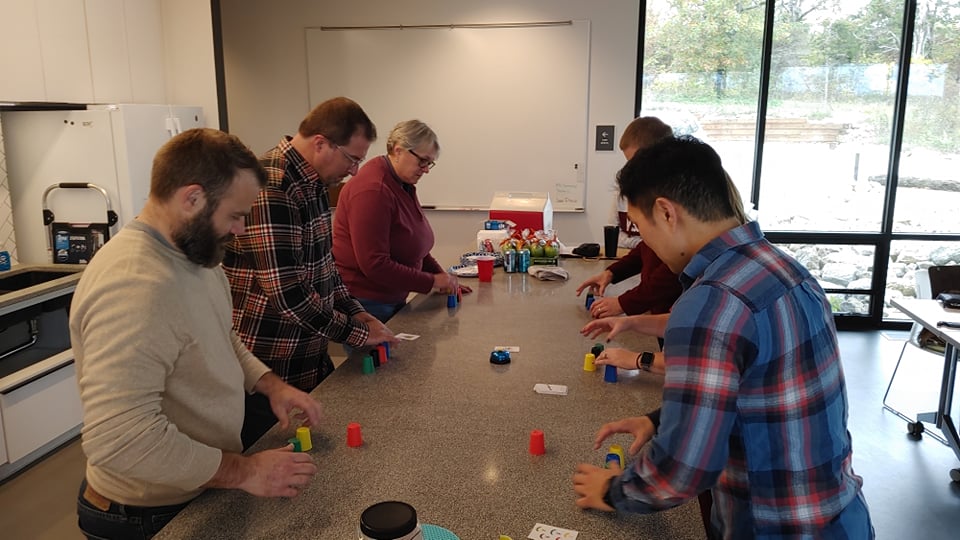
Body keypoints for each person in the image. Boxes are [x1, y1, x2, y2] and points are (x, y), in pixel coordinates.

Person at [572, 136, 874, 539]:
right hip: (842, 519)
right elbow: (757, 387)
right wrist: (660, 420)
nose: (649, 245)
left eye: (643, 229)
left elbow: (682, 472)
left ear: (666, 213)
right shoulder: (786, 268)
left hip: (774, 527)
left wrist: (610, 491)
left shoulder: (709, 303)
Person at [71, 128, 324, 540]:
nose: (240, 230)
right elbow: (119, 439)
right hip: (144, 515)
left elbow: (221, 336)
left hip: (197, 486)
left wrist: (271, 385)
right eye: (235, 215)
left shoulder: (196, 256)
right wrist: (245, 470)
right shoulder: (136, 284)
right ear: (192, 198)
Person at [223, 97, 398, 449]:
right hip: (267, 369)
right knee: (274, 477)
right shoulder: (273, 186)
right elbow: (290, 297)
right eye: (352, 158)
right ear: (321, 143)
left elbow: (325, 267)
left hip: (308, 357)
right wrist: (357, 334)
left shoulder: (313, 182)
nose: (354, 170)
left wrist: (356, 312)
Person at [332, 119, 468, 324]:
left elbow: (412, 245)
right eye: (422, 161)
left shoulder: (401, 183)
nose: (426, 169)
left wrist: (443, 279)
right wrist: (431, 281)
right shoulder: (374, 190)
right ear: (398, 150)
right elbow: (375, 264)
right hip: (368, 303)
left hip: (389, 299)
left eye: (429, 163)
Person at [577, 117, 681, 320]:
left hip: (672, 314)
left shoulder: (674, 196)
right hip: (658, 311)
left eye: (636, 162)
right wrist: (612, 273)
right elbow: (647, 247)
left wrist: (624, 303)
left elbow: (673, 272)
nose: (633, 170)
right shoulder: (653, 191)